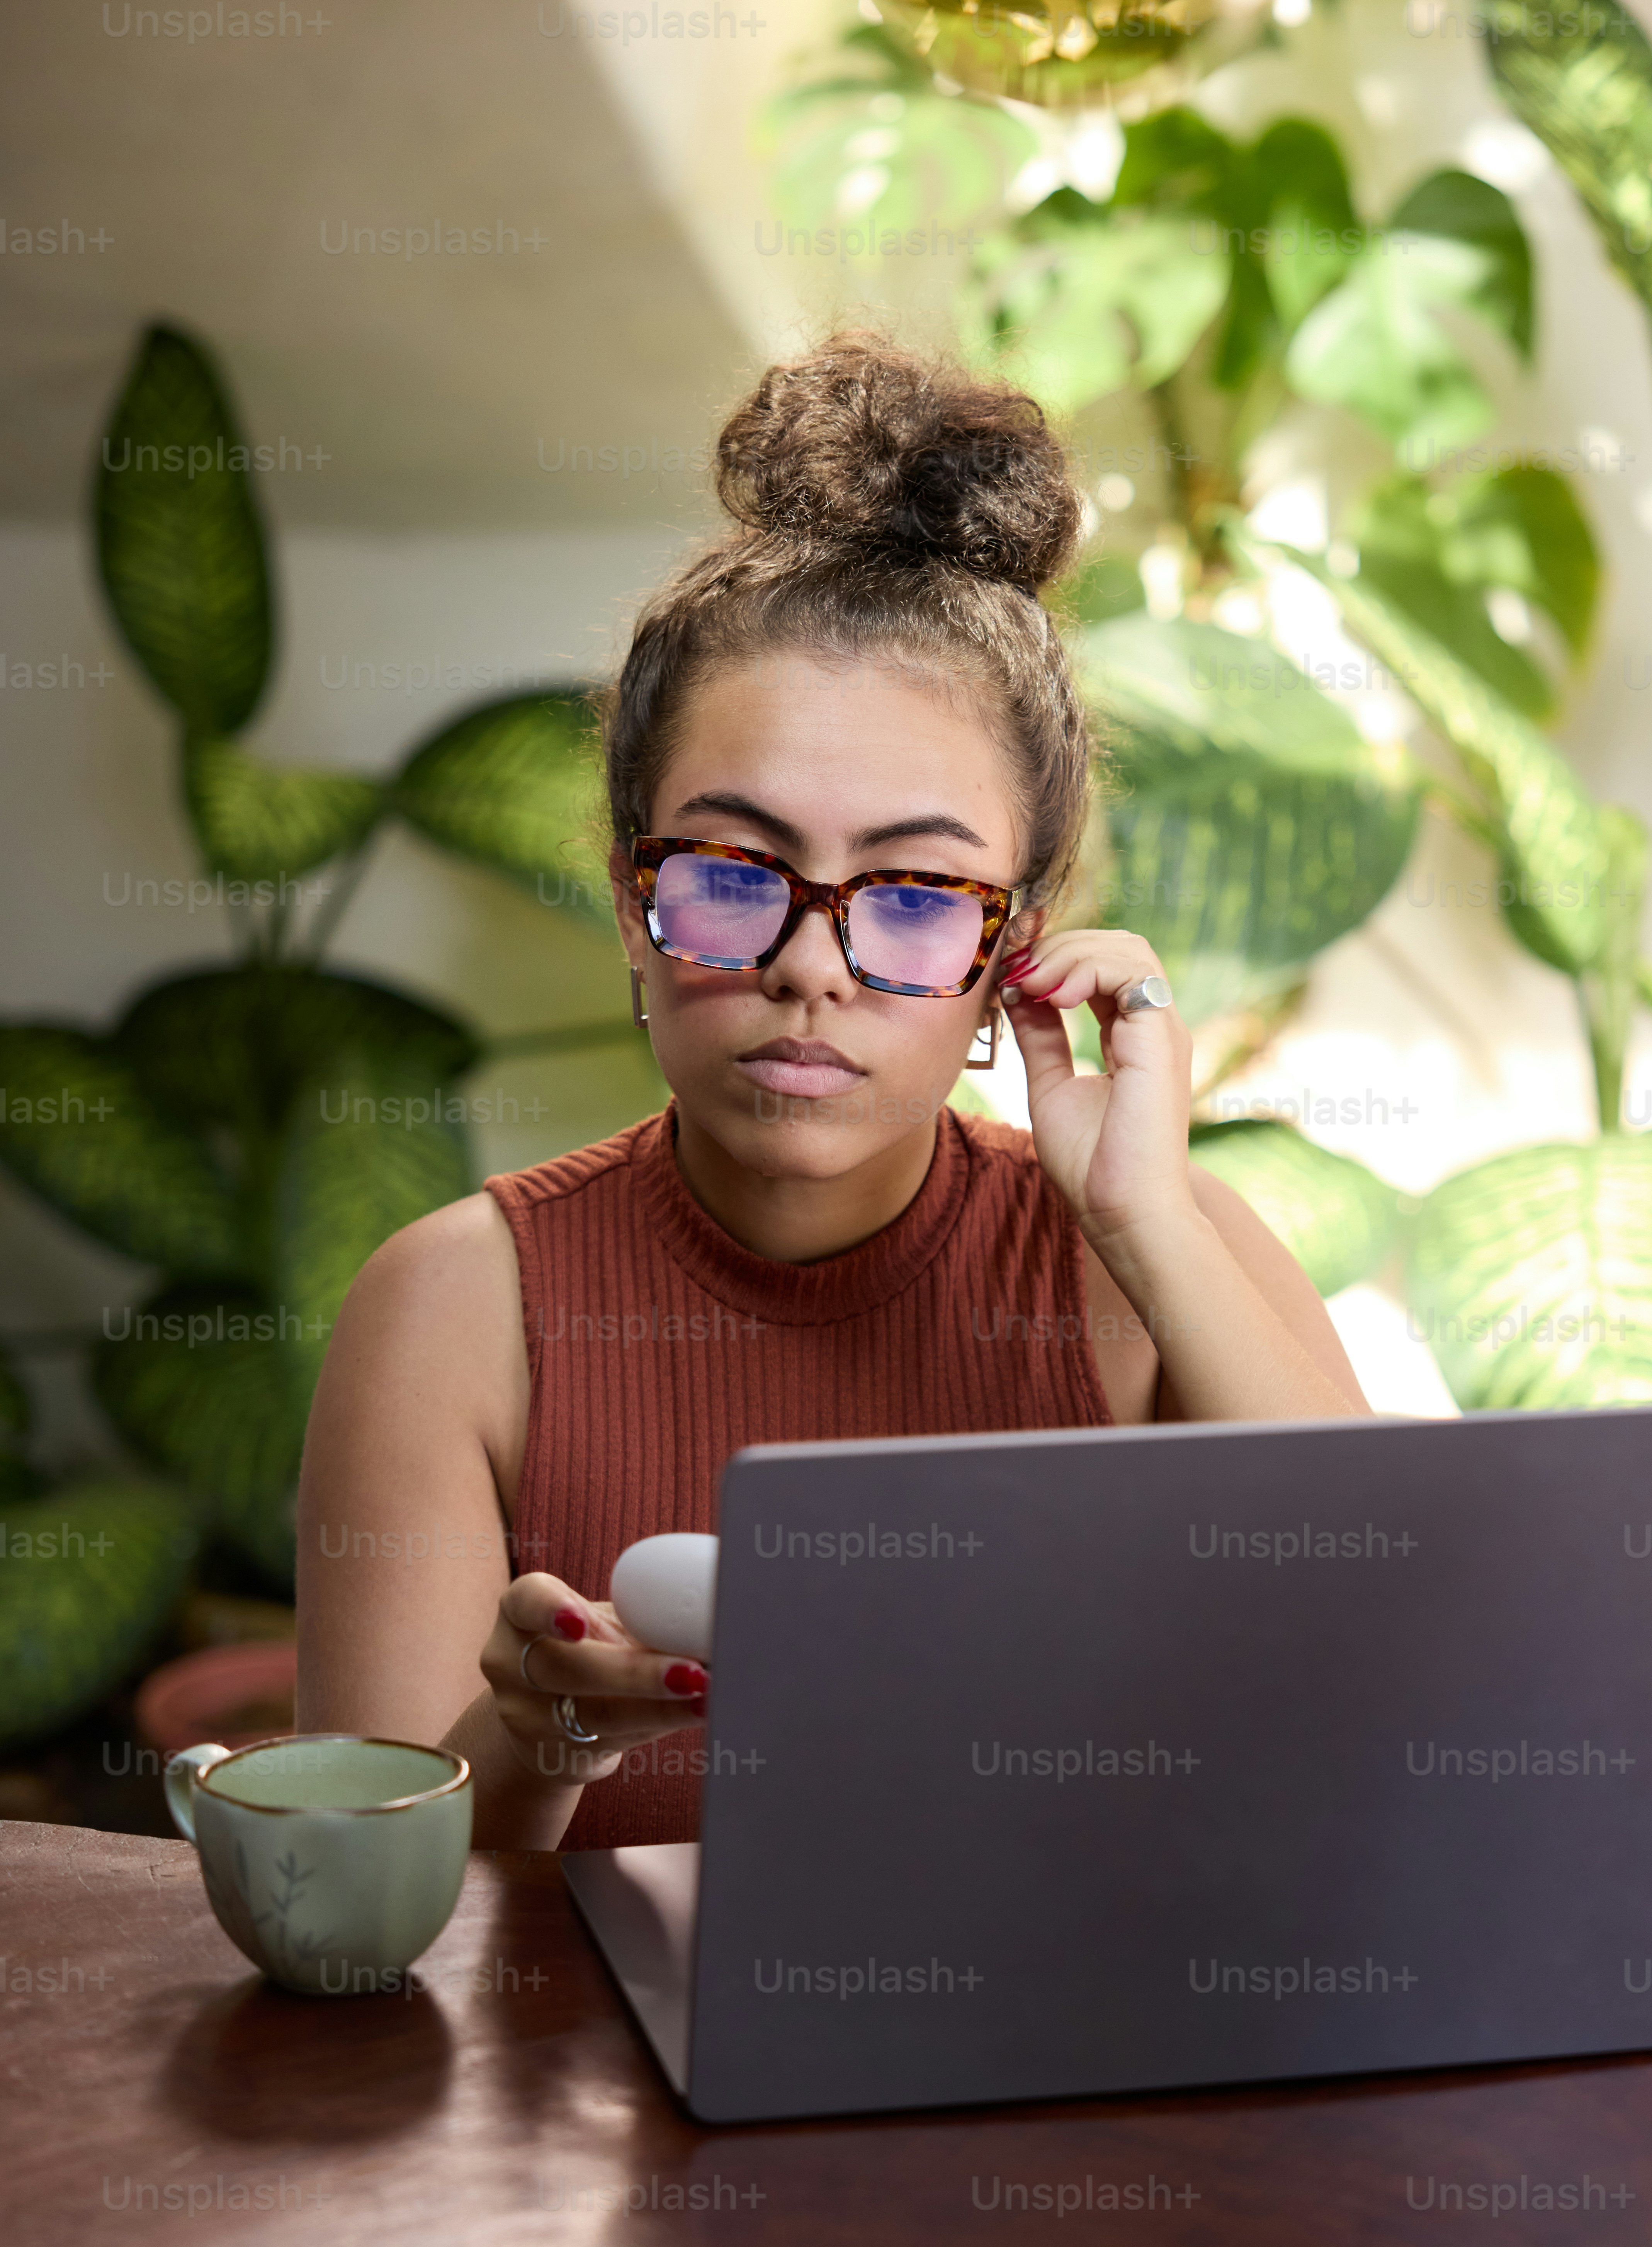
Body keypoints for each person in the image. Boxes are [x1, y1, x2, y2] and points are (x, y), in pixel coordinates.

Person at [296, 335, 1368, 1849]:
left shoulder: (1156, 1261)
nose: (814, 967)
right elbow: (356, 1917)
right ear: (630, 900)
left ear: (1019, 941)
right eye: (735, 875)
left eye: (917, 894)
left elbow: (1396, 1703)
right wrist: (548, 1732)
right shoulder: (453, 1308)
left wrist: (1144, 1216)